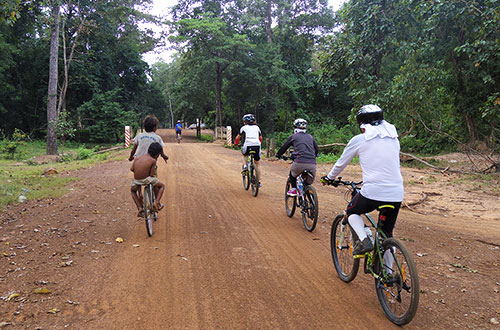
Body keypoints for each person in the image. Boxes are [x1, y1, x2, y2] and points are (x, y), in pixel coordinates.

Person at [321, 104, 404, 257]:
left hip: (373, 191)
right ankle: (389, 278)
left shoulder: (360, 140)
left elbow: (341, 163)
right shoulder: (394, 139)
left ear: (362, 124)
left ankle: (365, 240)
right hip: (397, 192)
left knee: (352, 211)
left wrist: (329, 178)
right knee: (386, 234)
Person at [276, 118, 319, 196]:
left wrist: (278, 155)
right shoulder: (310, 137)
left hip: (299, 163)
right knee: (307, 183)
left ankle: (294, 189)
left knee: (292, 175)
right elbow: (316, 149)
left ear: (294, 127)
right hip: (312, 164)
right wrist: (314, 155)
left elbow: (284, 147)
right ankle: (308, 198)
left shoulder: (293, 137)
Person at [130, 142, 165, 216]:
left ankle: (139, 208)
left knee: (133, 191)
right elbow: (151, 174)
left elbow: (132, 169)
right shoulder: (153, 161)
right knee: (162, 186)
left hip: (136, 180)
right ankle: (156, 202)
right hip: (146, 179)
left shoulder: (137, 158)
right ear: (157, 154)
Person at [234, 114, 262, 184]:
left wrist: (236, 144)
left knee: (243, 155)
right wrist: (259, 144)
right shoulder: (257, 128)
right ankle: (258, 181)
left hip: (248, 144)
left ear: (245, 121)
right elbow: (260, 138)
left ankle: (245, 166)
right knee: (258, 163)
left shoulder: (243, 128)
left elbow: (238, 137)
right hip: (257, 145)